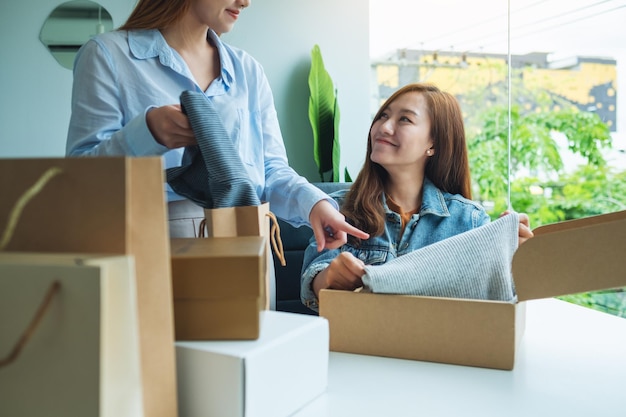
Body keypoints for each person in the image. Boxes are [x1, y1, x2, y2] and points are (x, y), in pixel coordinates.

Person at [66, 0, 368, 250]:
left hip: (248, 241)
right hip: (149, 248)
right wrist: (147, 133)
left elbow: (271, 170)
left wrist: (315, 205)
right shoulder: (108, 56)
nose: (245, 2)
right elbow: (81, 178)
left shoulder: (248, 70)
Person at [301, 83, 533, 311]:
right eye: (383, 116)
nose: (384, 127)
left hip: (437, 346)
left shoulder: (469, 220)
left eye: (404, 119)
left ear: (433, 143)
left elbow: (495, 297)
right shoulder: (337, 208)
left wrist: (515, 258)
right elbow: (312, 282)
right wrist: (331, 277)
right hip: (356, 344)